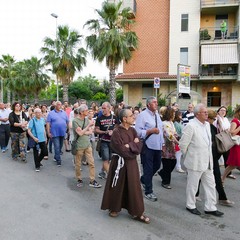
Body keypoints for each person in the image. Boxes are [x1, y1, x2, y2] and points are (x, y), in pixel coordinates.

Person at [101, 109, 150, 224]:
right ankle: (114, 208)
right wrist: (132, 145)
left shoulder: (133, 130)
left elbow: (139, 147)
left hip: (131, 163)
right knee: (117, 186)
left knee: (133, 187)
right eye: (131, 115)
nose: (134, 117)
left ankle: (137, 212)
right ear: (124, 119)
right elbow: (121, 150)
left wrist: (130, 145)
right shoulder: (117, 132)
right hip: (119, 163)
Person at [179, 103, 224, 217]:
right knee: (193, 185)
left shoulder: (207, 125)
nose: (207, 114)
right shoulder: (191, 125)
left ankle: (210, 207)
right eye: (204, 112)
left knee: (211, 185)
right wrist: (190, 156)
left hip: (208, 162)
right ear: (197, 114)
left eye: (206, 112)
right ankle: (190, 205)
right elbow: (183, 145)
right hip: (195, 161)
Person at [135, 96, 164, 202]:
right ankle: (148, 191)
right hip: (147, 145)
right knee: (148, 168)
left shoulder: (157, 115)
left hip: (157, 145)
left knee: (157, 166)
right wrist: (150, 131)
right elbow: (137, 132)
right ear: (148, 104)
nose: (156, 104)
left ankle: (144, 179)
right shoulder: (142, 115)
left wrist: (163, 143)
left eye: (156, 102)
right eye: (154, 102)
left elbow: (160, 130)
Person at [207, 110, 234, 206]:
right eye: (213, 119)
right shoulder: (207, 127)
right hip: (207, 155)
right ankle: (194, 196)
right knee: (199, 177)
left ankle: (222, 198)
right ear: (209, 118)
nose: (214, 120)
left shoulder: (213, 127)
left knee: (216, 176)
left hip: (212, 155)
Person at [72, 104, 101, 188]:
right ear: (81, 112)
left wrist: (83, 131)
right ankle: (79, 179)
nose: (88, 112)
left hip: (87, 144)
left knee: (91, 163)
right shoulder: (75, 121)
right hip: (79, 146)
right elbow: (80, 133)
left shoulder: (86, 120)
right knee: (78, 164)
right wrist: (87, 128)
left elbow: (90, 132)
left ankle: (92, 180)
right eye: (86, 111)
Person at [95, 102, 119, 179]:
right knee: (106, 159)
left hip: (112, 142)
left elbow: (118, 127)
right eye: (102, 108)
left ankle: (102, 172)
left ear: (109, 108)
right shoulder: (99, 118)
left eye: (104, 108)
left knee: (109, 159)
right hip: (103, 141)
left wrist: (113, 131)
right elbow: (96, 130)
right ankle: (110, 177)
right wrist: (105, 132)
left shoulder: (114, 117)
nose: (103, 110)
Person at [158, 107, 177, 189]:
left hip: (171, 146)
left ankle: (162, 173)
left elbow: (174, 133)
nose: (174, 115)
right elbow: (169, 135)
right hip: (166, 146)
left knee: (173, 162)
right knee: (167, 165)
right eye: (173, 113)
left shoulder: (171, 123)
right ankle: (165, 182)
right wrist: (177, 141)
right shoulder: (164, 123)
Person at [213, 106, 235, 179]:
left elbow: (229, 128)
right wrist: (227, 130)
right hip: (219, 140)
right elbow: (218, 128)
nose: (223, 112)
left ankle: (228, 173)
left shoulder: (226, 119)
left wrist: (227, 130)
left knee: (227, 156)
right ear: (218, 111)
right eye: (222, 110)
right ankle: (212, 171)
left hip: (226, 139)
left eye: (225, 111)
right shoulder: (216, 119)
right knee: (216, 156)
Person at [46, 101, 69, 166]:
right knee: (57, 146)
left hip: (62, 132)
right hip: (54, 133)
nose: (60, 106)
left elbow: (67, 121)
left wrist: (68, 129)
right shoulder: (51, 113)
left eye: (60, 104)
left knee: (60, 146)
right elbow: (48, 123)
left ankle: (56, 156)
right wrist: (48, 132)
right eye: (58, 105)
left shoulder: (64, 113)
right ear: (55, 106)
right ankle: (59, 160)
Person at [221, 106, 240, 184]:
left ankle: (222, 179)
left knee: (234, 165)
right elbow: (232, 132)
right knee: (232, 165)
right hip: (236, 145)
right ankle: (222, 179)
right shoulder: (235, 120)